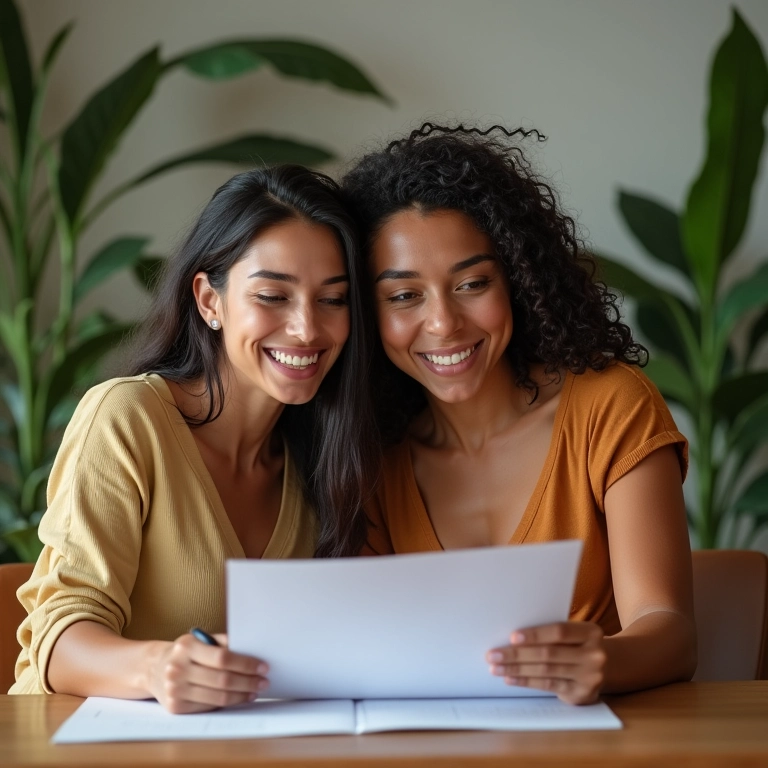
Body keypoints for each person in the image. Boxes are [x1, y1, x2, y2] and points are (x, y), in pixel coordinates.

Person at [342, 124, 696, 705]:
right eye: (404, 296)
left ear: (520, 280)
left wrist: (602, 661)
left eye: (472, 283)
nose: (444, 324)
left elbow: (672, 632)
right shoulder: (371, 452)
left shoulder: (609, 406)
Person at [11, 166, 377, 712]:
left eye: (333, 299)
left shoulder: (322, 460)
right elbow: (56, 641)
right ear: (209, 301)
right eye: (273, 296)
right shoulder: (128, 418)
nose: (307, 329)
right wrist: (157, 668)